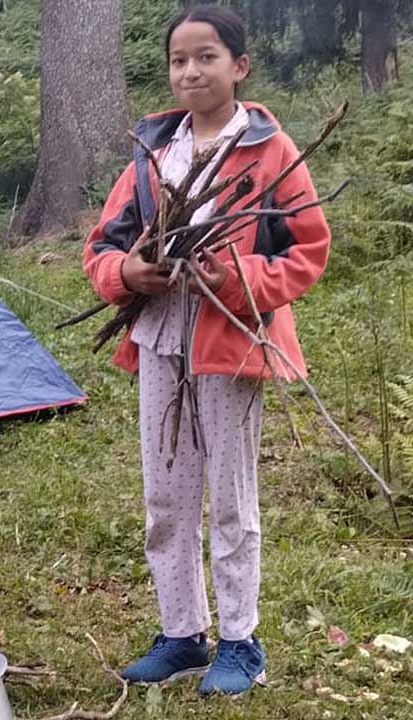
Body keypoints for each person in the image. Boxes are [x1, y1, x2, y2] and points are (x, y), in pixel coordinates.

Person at [82, 5, 331, 697]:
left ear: (240, 66)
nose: (191, 70)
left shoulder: (269, 152)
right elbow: (104, 245)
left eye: (207, 56)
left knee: (230, 500)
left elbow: (307, 249)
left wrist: (243, 278)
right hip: (160, 341)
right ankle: (183, 634)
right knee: (166, 499)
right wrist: (126, 274)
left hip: (231, 344)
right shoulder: (153, 152)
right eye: (179, 60)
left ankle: (240, 642)